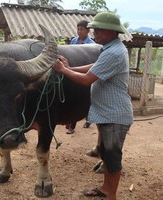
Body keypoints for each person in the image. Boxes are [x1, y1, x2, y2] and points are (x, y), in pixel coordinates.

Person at [52, 12, 133, 200]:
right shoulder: (110, 48)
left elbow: (88, 79)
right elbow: (93, 66)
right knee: (105, 152)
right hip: (108, 113)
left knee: (112, 157)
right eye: (94, 29)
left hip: (115, 114)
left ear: (113, 32)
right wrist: (70, 68)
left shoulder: (114, 52)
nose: (94, 33)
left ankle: (110, 194)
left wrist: (63, 70)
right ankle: (105, 189)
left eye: (99, 30)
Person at [66, 20, 94, 134]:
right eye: (78, 29)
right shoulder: (73, 41)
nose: (79, 31)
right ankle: (72, 125)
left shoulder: (92, 44)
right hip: (72, 71)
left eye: (82, 29)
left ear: (88, 31)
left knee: (86, 97)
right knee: (73, 98)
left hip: (86, 73)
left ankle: (88, 119)